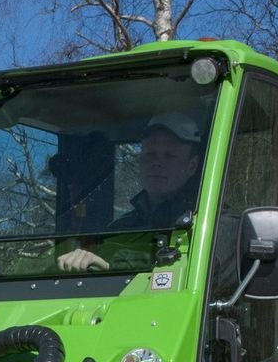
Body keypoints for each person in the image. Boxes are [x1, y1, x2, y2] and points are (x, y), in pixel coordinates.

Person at [58, 111, 204, 272]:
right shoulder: (119, 229)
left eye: (169, 156)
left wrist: (113, 267)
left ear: (192, 165)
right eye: (150, 154)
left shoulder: (213, 224)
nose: (156, 163)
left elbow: (199, 271)